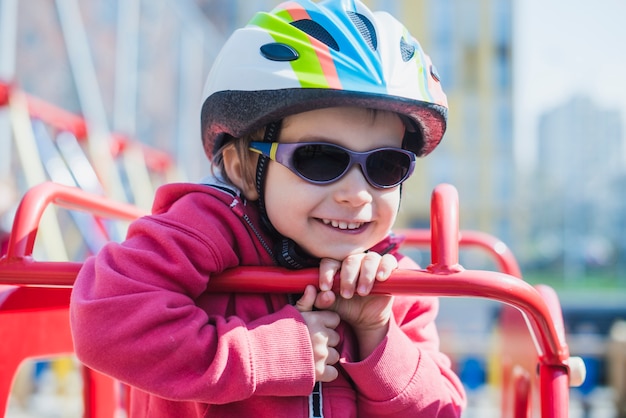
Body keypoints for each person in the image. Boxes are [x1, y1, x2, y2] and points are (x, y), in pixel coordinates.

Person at [70, 0, 466, 416]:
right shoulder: (205, 229)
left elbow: (442, 409)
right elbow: (103, 318)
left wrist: (378, 334)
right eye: (319, 158)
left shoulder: (395, 285)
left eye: (385, 166)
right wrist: (268, 353)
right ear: (244, 167)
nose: (357, 194)